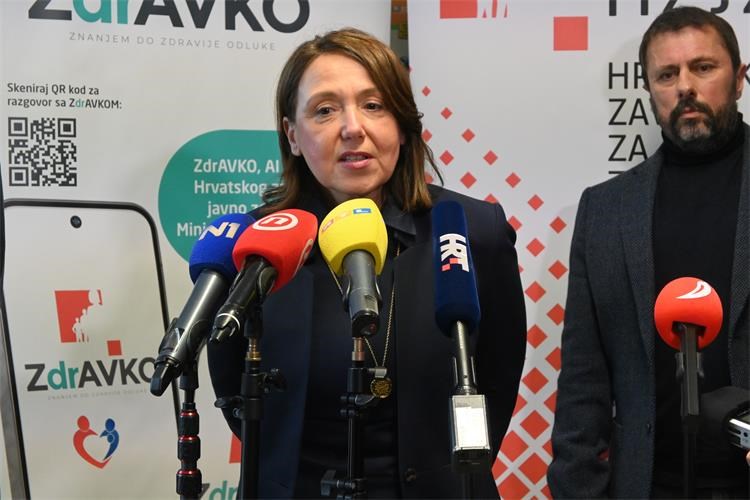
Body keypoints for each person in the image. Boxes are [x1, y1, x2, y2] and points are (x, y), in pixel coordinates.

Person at [207, 27, 527, 498]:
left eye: (373, 105)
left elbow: (497, 378)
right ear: (292, 135)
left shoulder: (473, 230)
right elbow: (235, 391)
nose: (352, 128)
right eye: (325, 110)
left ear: (401, 124)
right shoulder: (255, 246)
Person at [548, 6, 749, 498]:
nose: (686, 87)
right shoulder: (605, 211)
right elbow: (583, 377)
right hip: (645, 485)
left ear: (740, 79)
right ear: (649, 90)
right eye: (667, 74)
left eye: (703, 67)